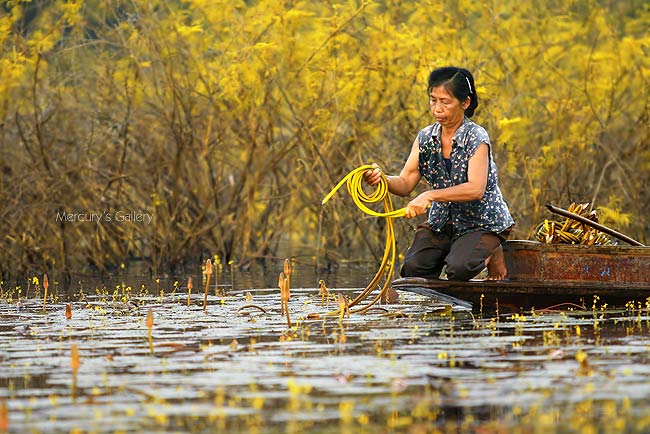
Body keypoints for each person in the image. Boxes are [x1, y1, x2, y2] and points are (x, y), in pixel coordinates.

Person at [364, 66, 515, 281]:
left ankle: (492, 249)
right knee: (413, 269)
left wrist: (430, 195)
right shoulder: (426, 138)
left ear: (465, 103)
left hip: (482, 221)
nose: (437, 109)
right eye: (433, 100)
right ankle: (457, 255)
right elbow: (406, 183)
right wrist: (382, 179)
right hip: (442, 221)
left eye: (445, 102)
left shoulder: (477, 137)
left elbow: (475, 188)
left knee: (459, 270)